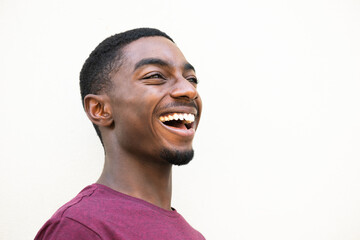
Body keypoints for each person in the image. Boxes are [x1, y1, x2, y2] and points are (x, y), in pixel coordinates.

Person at [34, 28, 204, 239]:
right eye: (156, 76)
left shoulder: (194, 236)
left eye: (192, 79)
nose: (189, 90)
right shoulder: (80, 227)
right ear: (100, 109)